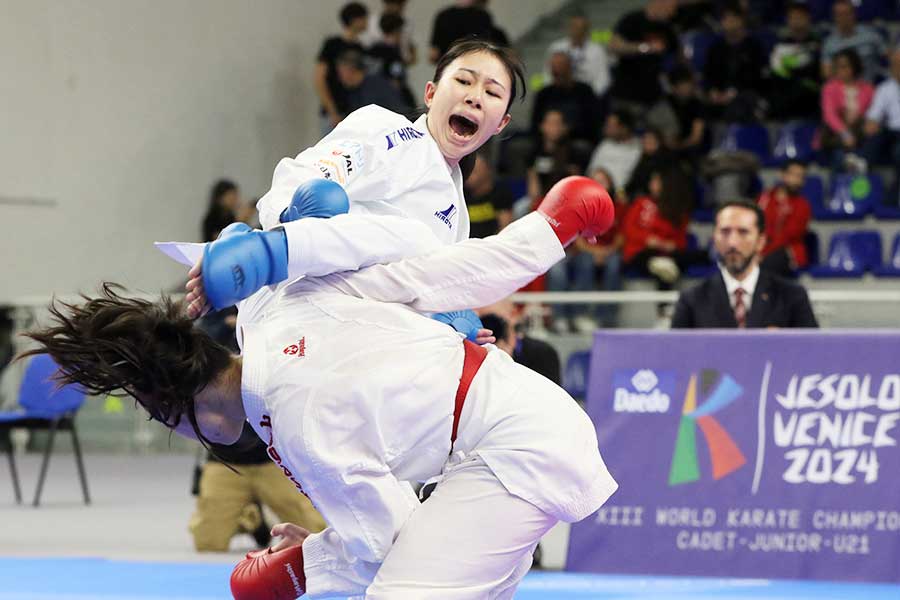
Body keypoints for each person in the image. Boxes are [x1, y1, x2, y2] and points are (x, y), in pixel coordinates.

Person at [25, 177, 618, 599]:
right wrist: (547, 229)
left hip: (518, 453)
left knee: (400, 592)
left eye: (170, 424)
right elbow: (430, 272)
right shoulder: (270, 304)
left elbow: (393, 542)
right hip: (500, 441)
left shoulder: (302, 427)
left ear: (182, 407)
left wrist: (307, 564)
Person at [184, 40, 528, 320]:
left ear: (501, 124)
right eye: (464, 81)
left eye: (492, 93)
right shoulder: (389, 132)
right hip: (305, 299)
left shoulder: (456, 211)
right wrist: (284, 221)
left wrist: (449, 320)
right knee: (411, 238)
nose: (474, 97)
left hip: (357, 332)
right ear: (431, 94)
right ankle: (259, 252)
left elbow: (413, 284)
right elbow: (307, 176)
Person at [671, 200, 818, 328]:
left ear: (760, 241)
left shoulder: (792, 297)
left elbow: (812, 355)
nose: (732, 243)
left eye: (743, 232)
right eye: (725, 232)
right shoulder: (691, 300)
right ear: (714, 238)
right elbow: (676, 357)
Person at [621, 168, 707, 290]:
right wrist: (648, 239)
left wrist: (670, 244)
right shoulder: (640, 203)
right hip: (642, 252)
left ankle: (663, 266)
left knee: (693, 256)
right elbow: (628, 229)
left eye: (656, 181)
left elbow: (681, 240)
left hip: (667, 253)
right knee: (658, 263)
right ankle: (665, 305)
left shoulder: (678, 210)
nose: (651, 184)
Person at [608, 0, 680, 111]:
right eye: (671, 8)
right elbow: (613, 46)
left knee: (670, 127)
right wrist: (645, 48)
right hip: (627, 93)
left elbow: (678, 56)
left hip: (654, 94)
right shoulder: (632, 20)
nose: (673, 13)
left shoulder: (667, 28)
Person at [702, 5, 767, 122]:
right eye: (726, 19)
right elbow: (708, 75)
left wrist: (733, 93)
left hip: (745, 96)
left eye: (733, 19)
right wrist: (712, 91)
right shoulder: (716, 48)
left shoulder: (754, 47)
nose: (730, 23)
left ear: (741, 20)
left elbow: (756, 77)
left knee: (741, 105)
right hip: (718, 97)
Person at [314, 2, 369, 134]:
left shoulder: (361, 48)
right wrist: (332, 110)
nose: (367, 22)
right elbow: (319, 78)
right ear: (354, 20)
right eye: (364, 18)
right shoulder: (332, 45)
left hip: (354, 111)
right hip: (333, 111)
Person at [820, 49, 874, 173]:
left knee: (870, 149)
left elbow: (872, 115)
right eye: (837, 67)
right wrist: (845, 134)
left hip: (860, 135)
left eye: (845, 66)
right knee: (839, 157)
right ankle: (838, 190)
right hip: (836, 137)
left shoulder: (868, 89)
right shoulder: (829, 88)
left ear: (854, 67)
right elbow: (829, 115)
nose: (840, 70)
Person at [756, 160, 812, 277]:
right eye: (794, 175)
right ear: (783, 175)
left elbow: (788, 236)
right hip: (760, 250)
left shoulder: (803, 205)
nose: (797, 181)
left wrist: (763, 254)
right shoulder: (764, 199)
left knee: (770, 263)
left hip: (789, 253)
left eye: (801, 177)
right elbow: (755, 227)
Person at [531, 51, 601, 146]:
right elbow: (535, 122)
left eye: (561, 68)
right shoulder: (544, 93)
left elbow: (592, 123)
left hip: (576, 138)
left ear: (569, 69)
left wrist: (566, 130)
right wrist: (548, 130)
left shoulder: (584, 91)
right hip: (546, 138)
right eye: (554, 69)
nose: (557, 71)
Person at [768, 1, 822, 121]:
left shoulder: (818, 44)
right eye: (793, 17)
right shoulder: (779, 46)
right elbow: (778, 75)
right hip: (786, 102)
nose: (796, 21)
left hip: (811, 100)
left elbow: (816, 74)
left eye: (800, 17)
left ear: (808, 19)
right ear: (787, 20)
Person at [646, 65, 706, 164]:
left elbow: (696, 138)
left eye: (689, 86)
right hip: (663, 149)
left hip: (687, 151)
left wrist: (678, 146)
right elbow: (652, 128)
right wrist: (664, 141)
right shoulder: (663, 104)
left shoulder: (697, 105)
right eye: (682, 86)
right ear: (673, 87)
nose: (687, 90)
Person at [545, 13, 611, 97]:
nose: (578, 31)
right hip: (560, 95)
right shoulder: (556, 47)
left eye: (582, 28)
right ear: (569, 27)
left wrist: (592, 97)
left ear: (587, 30)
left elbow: (603, 79)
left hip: (588, 95)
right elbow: (547, 75)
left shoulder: (597, 50)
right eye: (575, 27)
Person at [527, 109, 586, 201]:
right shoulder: (535, 152)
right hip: (540, 199)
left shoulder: (573, 152)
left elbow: (575, 184)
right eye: (550, 123)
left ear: (564, 128)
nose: (554, 127)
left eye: (557, 123)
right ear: (542, 126)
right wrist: (536, 203)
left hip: (565, 199)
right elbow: (533, 184)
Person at [861, 47, 900, 180]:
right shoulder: (885, 88)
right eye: (896, 65)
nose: (898, 68)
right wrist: (871, 123)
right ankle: (860, 172)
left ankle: (893, 193)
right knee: (873, 139)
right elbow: (874, 114)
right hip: (891, 131)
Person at [821, 0, 885, 82]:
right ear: (834, 17)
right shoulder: (829, 43)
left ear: (854, 14)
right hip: (842, 91)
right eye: (839, 15)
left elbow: (889, 58)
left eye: (847, 14)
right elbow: (827, 73)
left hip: (870, 88)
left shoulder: (871, 35)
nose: (843, 18)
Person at [334, 49, 411, 115]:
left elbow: (399, 109)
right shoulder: (353, 92)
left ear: (350, 70)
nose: (339, 78)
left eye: (341, 73)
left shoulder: (376, 87)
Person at [367, 13, 416, 109]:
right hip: (390, 100)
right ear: (396, 31)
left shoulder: (372, 49)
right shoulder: (394, 53)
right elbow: (396, 81)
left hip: (372, 97)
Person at [586, 110, 642, 193]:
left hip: (618, 193)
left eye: (611, 126)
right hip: (592, 189)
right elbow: (590, 170)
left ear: (624, 128)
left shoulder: (637, 149)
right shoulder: (604, 144)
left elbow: (628, 179)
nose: (606, 128)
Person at [428, 0, 496, 64]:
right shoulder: (483, 16)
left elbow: (434, 55)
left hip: (450, 65)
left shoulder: (443, 15)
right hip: (474, 63)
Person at [464, 154, 514, 238]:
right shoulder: (460, 193)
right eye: (467, 171)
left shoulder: (500, 193)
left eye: (474, 171)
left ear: (487, 170)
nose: (469, 176)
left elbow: (505, 227)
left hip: (491, 244)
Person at [361, 0, 417, 66]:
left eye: (400, 5)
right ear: (385, 3)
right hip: (374, 64)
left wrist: (408, 57)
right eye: (392, 4)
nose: (396, 8)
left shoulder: (407, 23)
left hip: (398, 64)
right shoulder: (372, 21)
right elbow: (365, 46)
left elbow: (410, 50)